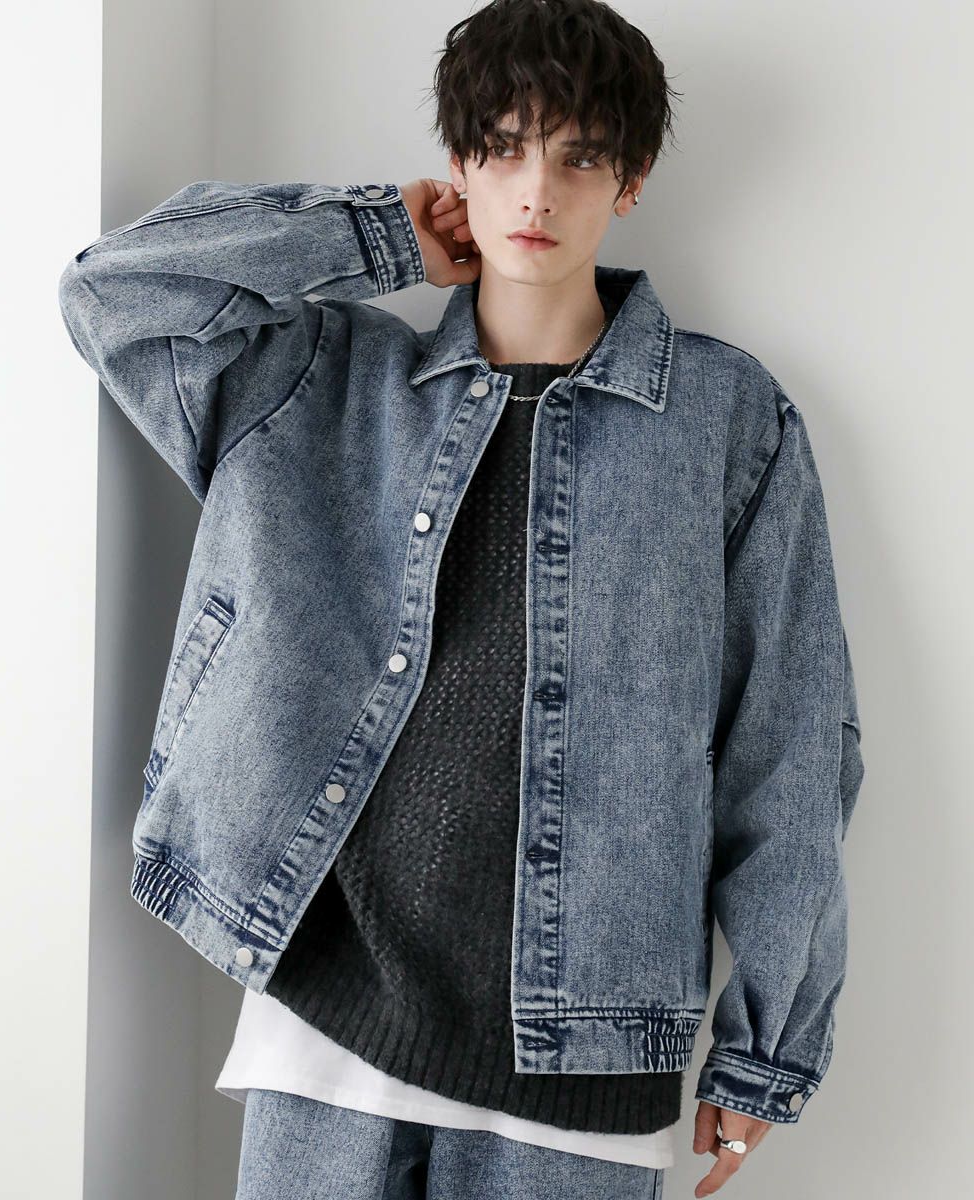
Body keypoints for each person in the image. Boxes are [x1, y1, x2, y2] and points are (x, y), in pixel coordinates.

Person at [57, 1, 865, 1197]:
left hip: (586, 1049)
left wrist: (767, 1050)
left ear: (630, 180)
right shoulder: (322, 379)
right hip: (327, 1011)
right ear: (459, 164)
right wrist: (382, 235)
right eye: (502, 147)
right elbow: (114, 293)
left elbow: (789, 744)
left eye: (579, 156)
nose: (536, 191)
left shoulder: (723, 420)